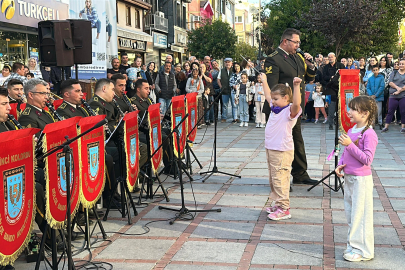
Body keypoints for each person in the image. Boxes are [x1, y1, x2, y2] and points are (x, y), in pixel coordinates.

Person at [263, 28, 317, 185]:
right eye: (296, 42)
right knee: (280, 146)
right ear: (285, 41)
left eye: (299, 42)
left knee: (297, 140)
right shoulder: (273, 59)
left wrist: (310, 66)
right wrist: (282, 107)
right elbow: (274, 88)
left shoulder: (298, 58)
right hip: (280, 110)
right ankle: (280, 179)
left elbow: (308, 78)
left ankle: (300, 174)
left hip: (294, 108)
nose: (298, 46)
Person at [335, 95, 378, 262]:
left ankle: (362, 250)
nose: (349, 112)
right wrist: (341, 164)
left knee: (361, 214)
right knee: (351, 214)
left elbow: (367, 159)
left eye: (353, 109)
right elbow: (346, 152)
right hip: (350, 177)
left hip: (361, 180)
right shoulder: (352, 129)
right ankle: (353, 245)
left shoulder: (369, 133)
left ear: (365, 113)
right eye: (350, 108)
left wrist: (350, 145)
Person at [259, 73, 302, 220]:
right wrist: (264, 81)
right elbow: (267, 96)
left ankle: (284, 208)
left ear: (285, 98)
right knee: (273, 179)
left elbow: (296, 104)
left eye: (276, 99)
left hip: (282, 150)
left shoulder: (289, 111)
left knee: (280, 179)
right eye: (273, 99)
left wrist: (296, 87)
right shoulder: (275, 108)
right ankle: (277, 204)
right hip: (271, 148)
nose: (273, 102)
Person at [322, 52, 345, 130]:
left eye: (332, 57)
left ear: (335, 57)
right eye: (329, 57)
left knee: (340, 109)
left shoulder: (340, 66)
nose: (330, 58)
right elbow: (324, 77)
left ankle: (340, 124)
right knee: (331, 108)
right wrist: (330, 78)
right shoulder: (325, 67)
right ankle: (330, 124)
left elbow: (344, 75)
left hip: (340, 89)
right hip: (330, 89)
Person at [381, 58, 405, 133]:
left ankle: (403, 127)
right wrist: (397, 88)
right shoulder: (394, 73)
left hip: (403, 95)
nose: (401, 65)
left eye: (402, 64)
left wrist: (399, 91)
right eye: (400, 64)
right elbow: (390, 82)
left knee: (403, 111)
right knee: (390, 110)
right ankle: (386, 127)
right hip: (393, 95)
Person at [366, 65, 385, 129]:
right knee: (372, 110)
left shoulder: (381, 77)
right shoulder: (370, 78)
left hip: (379, 97)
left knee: (379, 111)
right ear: (372, 71)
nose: (375, 71)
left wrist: (376, 95)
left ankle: (380, 123)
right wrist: (371, 94)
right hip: (371, 97)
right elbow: (368, 87)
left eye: (376, 70)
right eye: (374, 70)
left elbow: (382, 87)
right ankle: (372, 123)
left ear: (378, 70)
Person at [217, 58, 234, 123]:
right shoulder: (222, 70)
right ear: (224, 63)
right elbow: (218, 79)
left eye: (229, 62)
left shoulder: (233, 70)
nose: (227, 63)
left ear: (231, 63)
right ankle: (224, 117)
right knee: (224, 105)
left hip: (232, 90)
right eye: (226, 62)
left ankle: (234, 117)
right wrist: (221, 87)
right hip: (224, 90)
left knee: (234, 104)